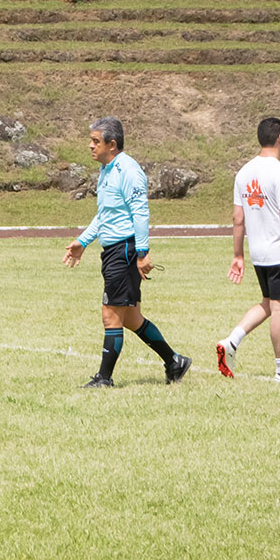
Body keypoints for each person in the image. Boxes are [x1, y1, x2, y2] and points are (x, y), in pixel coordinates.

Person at [62, 117, 191, 388]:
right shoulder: (107, 170)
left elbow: (141, 213)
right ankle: (174, 362)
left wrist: (142, 253)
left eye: (95, 141)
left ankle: (104, 378)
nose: (90, 146)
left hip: (124, 250)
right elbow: (105, 215)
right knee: (132, 318)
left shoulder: (129, 171)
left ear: (112, 144)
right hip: (113, 251)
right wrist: (82, 242)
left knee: (110, 314)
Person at [216, 117, 280, 381]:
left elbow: (237, 218)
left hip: (259, 254)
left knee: (268, 303)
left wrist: (238, 254)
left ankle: (231, 341)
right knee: (279, 309)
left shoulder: (243, 172)